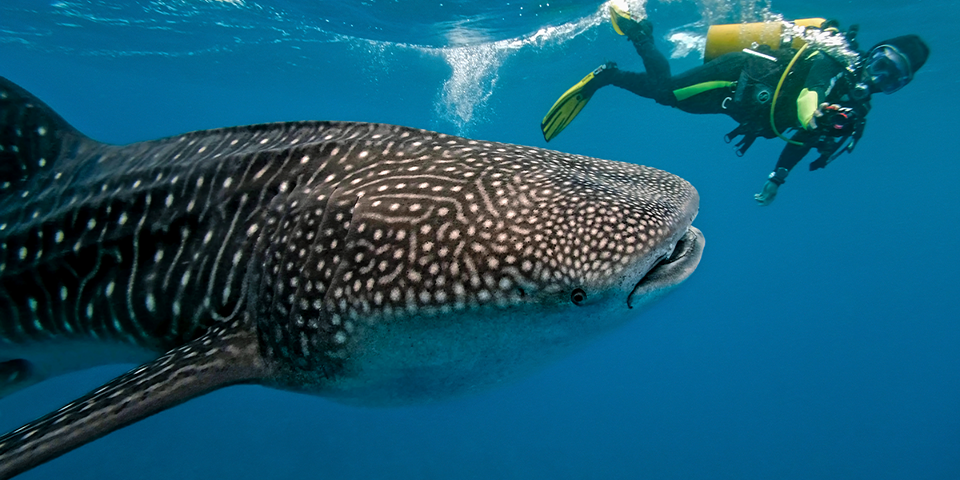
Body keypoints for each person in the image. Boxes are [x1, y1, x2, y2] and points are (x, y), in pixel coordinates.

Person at [540, 7, 930, 206]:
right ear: (873, 53)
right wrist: (814, 112)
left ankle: (613, 72)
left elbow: (802, 140)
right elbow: (808, 96)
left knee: (671, 99)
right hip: (741, 75)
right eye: (883, 65)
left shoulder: (853, 116)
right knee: (667, 92)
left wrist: (777, 177)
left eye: (894, 79)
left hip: (744, 109)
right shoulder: (835, 59)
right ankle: (635, 35)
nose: (879, 79)